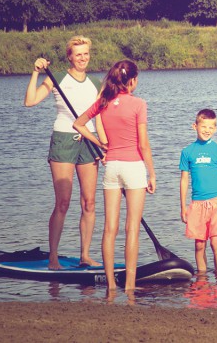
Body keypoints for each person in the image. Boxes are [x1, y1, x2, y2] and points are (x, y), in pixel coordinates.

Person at [72, 59, 156, 291]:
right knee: (132, 229)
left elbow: (78, 124)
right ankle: (128, 286)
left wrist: (101, 143)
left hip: (112, 168)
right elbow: (144, 144)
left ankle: (110, 286)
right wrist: (152, 173)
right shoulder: (139, 104)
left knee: (110, 229)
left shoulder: (104, 102)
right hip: (134, 168)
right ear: (132, 81)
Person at [23, 36, 103, 270]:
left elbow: (100, 119)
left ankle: (85, 256)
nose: (83, 58)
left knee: (89, 203)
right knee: (63, 202)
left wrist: (104, 145)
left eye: (86, 53)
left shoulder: (96, 83)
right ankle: (54, 258)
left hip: (89, 141)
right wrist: (36, 73)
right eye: (78, 54)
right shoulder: (57, 78)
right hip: (64, 140)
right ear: (69, 56)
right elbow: (30, 101)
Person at [179, 109, 217, 274]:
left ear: (215, 129)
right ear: (195, 126)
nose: (207, 130)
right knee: (199, 244)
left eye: (211, 127)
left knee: (215, 242)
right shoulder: (187, 152)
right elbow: (184, 181)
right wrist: (183, 208)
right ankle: (202, 278)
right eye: (203, 126)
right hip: (197, 204)